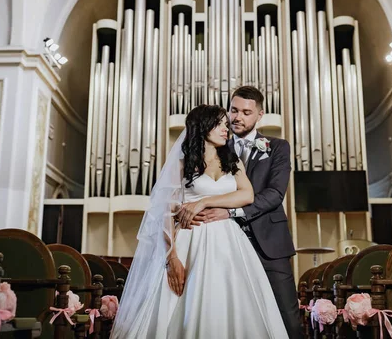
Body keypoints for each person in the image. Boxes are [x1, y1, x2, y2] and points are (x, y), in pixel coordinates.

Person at [111, 104, 289, 338]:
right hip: (190, 241)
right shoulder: (182, 165)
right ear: (203, 127)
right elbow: (165, 212)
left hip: (229, 243)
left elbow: (247, 195)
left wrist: (203, 202)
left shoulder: (232, 162)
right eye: (220, 124)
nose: (227, 129)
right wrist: (172, 257)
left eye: (227, 125)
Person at [190, 86, 302, 339]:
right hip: (223, 246)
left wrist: (231, 212)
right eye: (233, 110)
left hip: (268, 244)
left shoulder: (277, 147)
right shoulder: (215, 144)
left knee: (288, 321)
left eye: (246, 112)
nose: (237, 117)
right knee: (234, 321)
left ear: (260, 115)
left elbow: (274, 194)